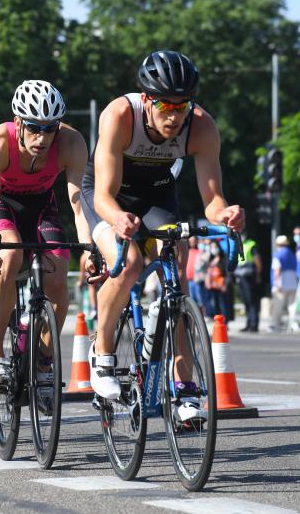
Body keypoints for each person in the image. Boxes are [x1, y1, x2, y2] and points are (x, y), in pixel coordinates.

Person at [81, 50, 245, 426]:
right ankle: (102, 353)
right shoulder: (120, 115)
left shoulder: (201, 127)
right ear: (145, 100)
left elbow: (212, 199)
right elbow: (103, 196)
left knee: (178, 274)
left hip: (156, 194)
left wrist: (226, 213)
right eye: (164, 106)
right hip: (107, 197)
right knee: (130, 264)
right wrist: (119, 219)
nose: (174, 116)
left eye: (182, 106)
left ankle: (184, 387)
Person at [0, 80, 91, 397]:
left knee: (58, 270)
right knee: (7, 258)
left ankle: (42, 360)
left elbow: (79, 203)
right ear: (17, 123)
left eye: (49, 129)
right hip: (1, 205)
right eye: (34, 128)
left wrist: (89, 248)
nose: (42, 139)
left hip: (41, 206)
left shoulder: (71, 143)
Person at [235, 231, 262, 332]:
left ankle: (254, 325)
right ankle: (248, 324)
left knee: (252, 302)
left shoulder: (251, 244)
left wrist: (258, 275)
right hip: (241, 276)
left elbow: (257, 259)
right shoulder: (238, 244)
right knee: (246, 301)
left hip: (250, 277)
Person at [270, 235, 298, 332]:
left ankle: (276, 326)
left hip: (282, 281)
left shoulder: (278, 254)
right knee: (292, 305)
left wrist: (276, 283)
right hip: (292, 281)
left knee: (278, 305)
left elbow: (277, 270)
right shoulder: (291, 253)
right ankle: (293, 325)